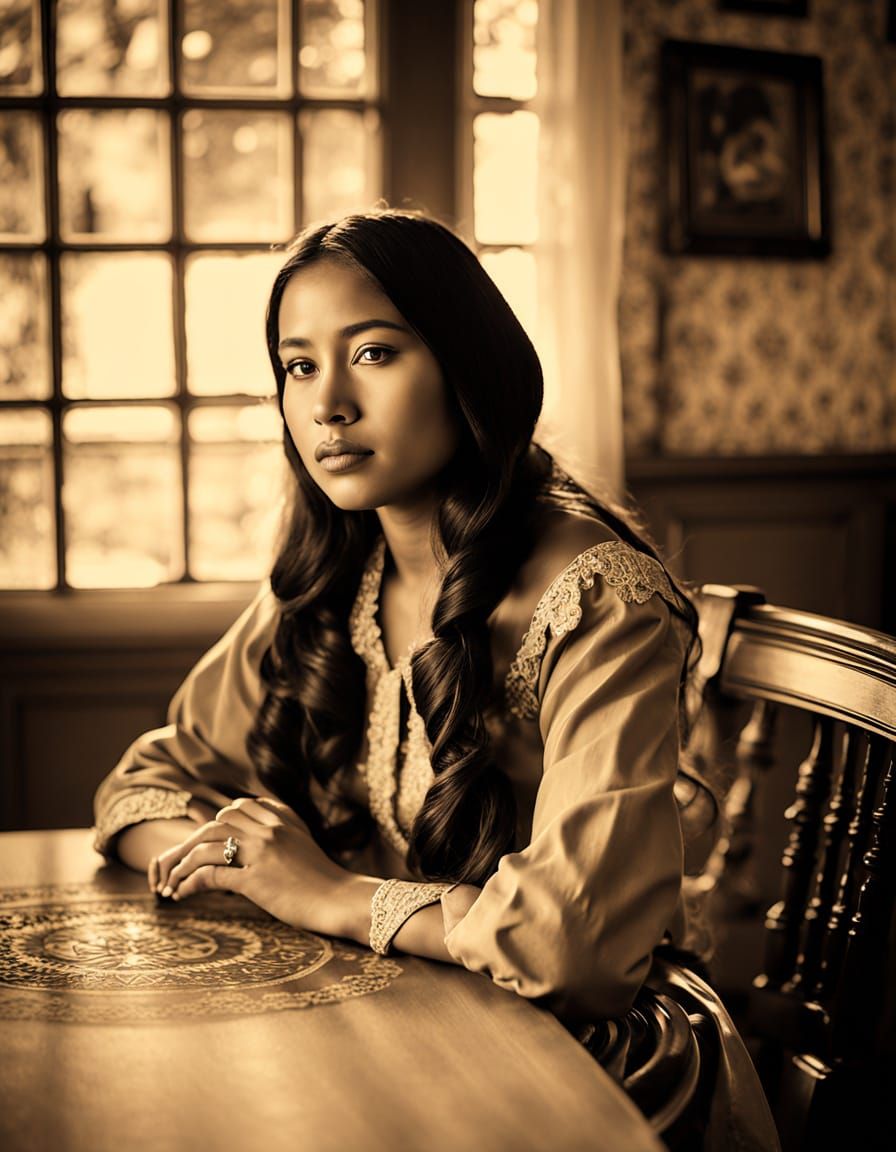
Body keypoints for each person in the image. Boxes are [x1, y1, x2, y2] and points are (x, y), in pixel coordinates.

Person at [93, 208, 776, 1147]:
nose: (328, 403)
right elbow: (138, 789)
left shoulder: (599, 598)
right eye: (299, 366)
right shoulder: (335, 576)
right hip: (388, 1010)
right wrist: (256, 868)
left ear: (466, 366)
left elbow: (568, 944)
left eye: (373, 354)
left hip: (585, 1064)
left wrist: (328, 894)